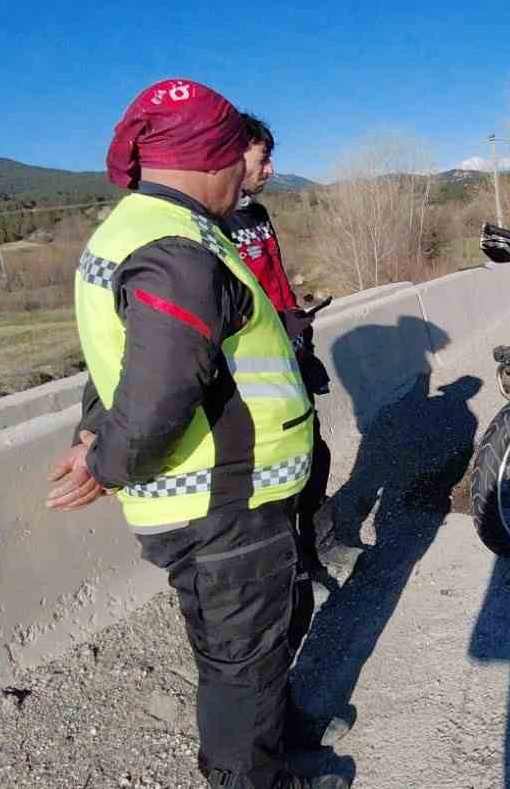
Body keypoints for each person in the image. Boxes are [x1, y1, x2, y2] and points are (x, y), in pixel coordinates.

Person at [45, 78, 346, 789]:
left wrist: (95, 431)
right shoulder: (177, 249)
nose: (243, 175)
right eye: (234, 162)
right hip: (223, 501)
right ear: (211, 160)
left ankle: (277, 736)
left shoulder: (134, 228)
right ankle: (253, 776)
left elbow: (115, 359)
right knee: (241, 660)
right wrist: (108, 460)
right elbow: (157, 394)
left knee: (251, 647)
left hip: (224, 497)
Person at [223, 113, 344, 746]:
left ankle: (316, 547)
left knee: (315, 461)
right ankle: (298, 565)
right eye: (260, 158)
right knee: (278, 495)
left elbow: (275, 281)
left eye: (271, 158)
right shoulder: (209, 226)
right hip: (251, 392)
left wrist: (300, 330)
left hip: (288, 360)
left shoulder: (257, 219)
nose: (269, 169)